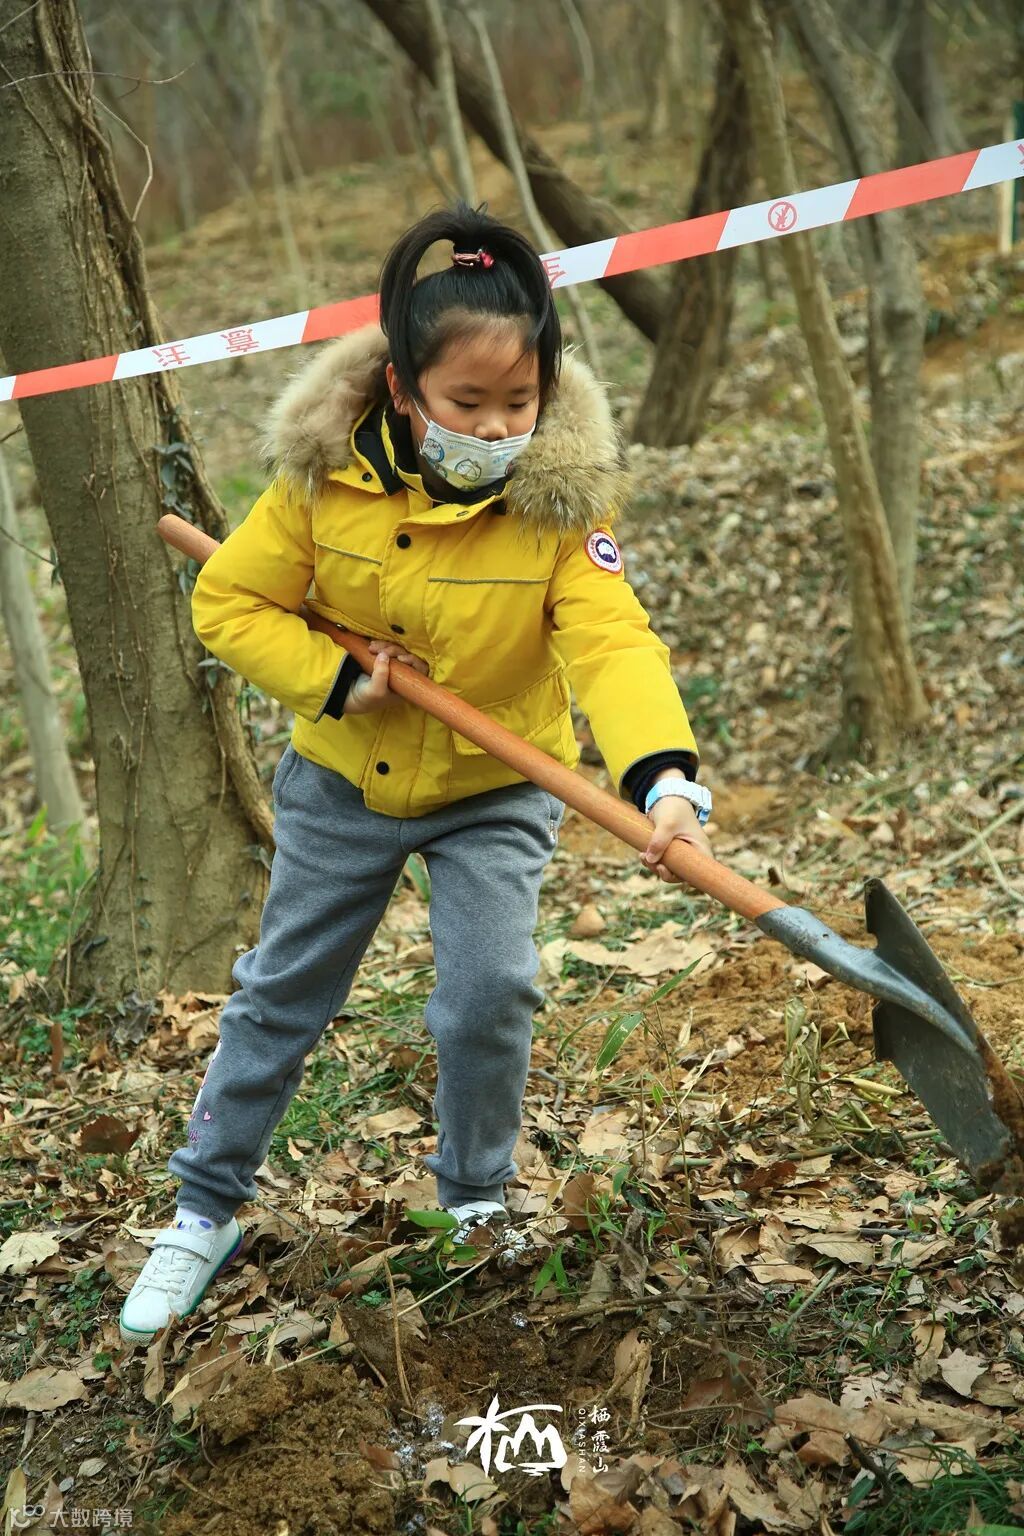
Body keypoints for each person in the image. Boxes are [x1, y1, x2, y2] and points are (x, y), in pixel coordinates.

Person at [119, 202, 713, 1347]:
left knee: (490, 991)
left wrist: (666, 783)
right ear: (402, 389)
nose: (494, 427)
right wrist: (339, 681)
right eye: (466, 402)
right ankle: (203, 1209)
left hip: (496, 789)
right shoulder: (325, 480)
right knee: (281, 994)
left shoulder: (558, 509)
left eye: (518, 403)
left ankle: (474, 1199)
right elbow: (230, 602)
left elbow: (612, 644)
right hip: (344, 783)